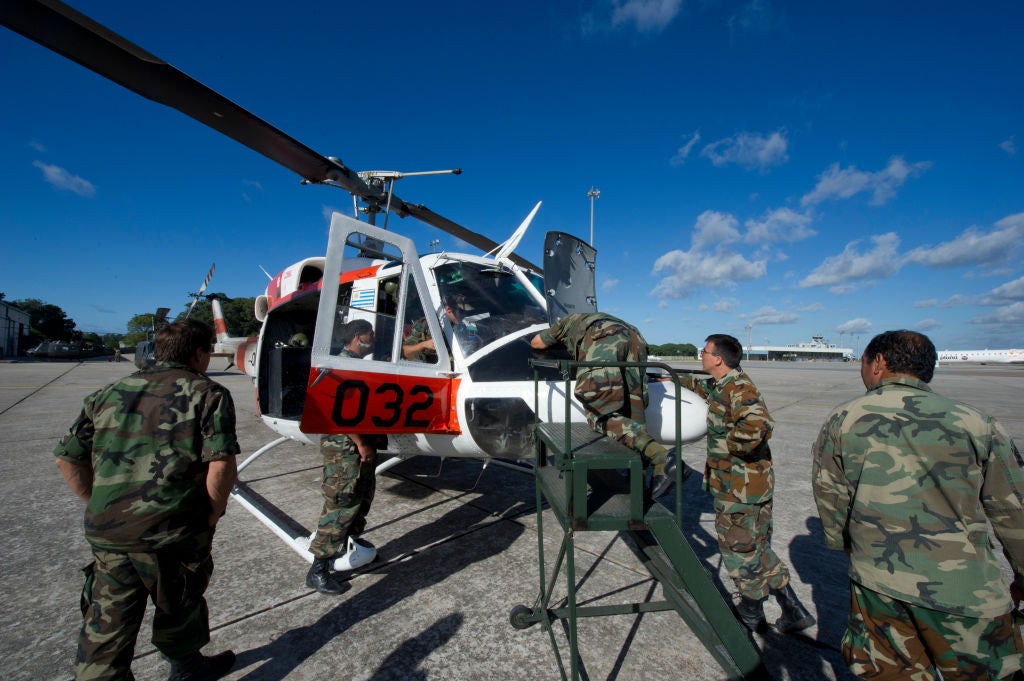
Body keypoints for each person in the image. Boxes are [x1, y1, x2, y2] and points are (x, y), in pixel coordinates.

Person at [812, 330, 1024, 680]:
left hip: (878, 583)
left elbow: (830, 495)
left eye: (863, 362)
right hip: (968, 593)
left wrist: (849, 547)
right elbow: (1013, 511)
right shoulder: (977, 423)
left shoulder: (844, 418)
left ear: (878, 363)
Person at [54, 319, 239, 681]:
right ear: (199, 353)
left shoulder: (107, 392)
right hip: (173, 531)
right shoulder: (208, 393)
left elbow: (66, 457)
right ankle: (187, 667)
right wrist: (213, 513)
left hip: (110, 533)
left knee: (107, 624)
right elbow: (221, 462)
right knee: (180, 605)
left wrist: (99, 504)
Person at [673, 333, 814, 634]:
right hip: (751, 486)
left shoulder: (739, 389)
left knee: (739, 551)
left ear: (718, 358)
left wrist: (730, 447)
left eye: (705, 351)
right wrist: (671, 381)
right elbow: (702, 387)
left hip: (739, 488)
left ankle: (751, 612)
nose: (702, 355)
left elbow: (758, 426)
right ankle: (793, 609)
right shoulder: (724, 385)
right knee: (758, 549)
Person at [529, 312, 680, 497]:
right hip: (636, 339)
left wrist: (555, 339)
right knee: (633, 416)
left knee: (602, 415)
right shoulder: (598, 317)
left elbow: (537, 342)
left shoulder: (565, 323)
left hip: (603, 339)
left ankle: (662, 458)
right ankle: (638, 490)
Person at [306, 319, 387, 595]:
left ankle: (349, 547)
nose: (373, 338)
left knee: (360, 500)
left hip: (361, 447)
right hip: (345, 450)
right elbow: (335, 411)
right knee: (341, 505)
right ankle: (318, 569)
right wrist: (361, 444)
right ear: (356, 336)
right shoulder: (339, 365)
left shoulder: (358, 364)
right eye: (369, 334)